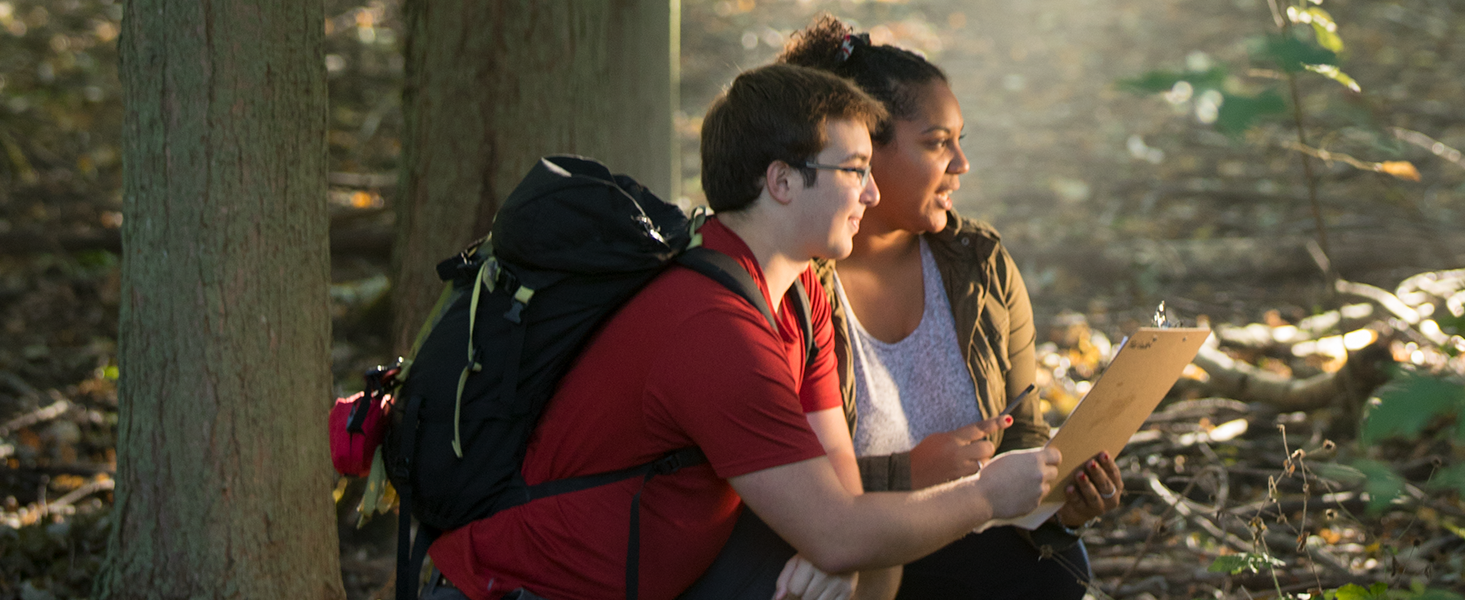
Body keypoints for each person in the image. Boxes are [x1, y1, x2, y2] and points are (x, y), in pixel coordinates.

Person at [421, 63, 1062, 600]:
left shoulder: (802, 291)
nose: (871, 194)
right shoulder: (712, 328)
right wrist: (983, 495)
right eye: (855, 170)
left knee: (869, 558)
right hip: (526, 587)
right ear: (781, 181)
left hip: (671, 569)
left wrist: (836, 546)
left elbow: (841, 497)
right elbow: (838, 527)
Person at [776, 16, 1127, 600]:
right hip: (831, 556)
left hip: (961, 543)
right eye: (939, 143)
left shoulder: (980, 266)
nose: (961, 164)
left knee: (1057, 568)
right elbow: (770, 479)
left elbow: (1022, 434)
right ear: (863, 147)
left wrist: (1065, 500)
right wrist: (907, 476)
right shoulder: (795, 280)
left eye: (961, 141)